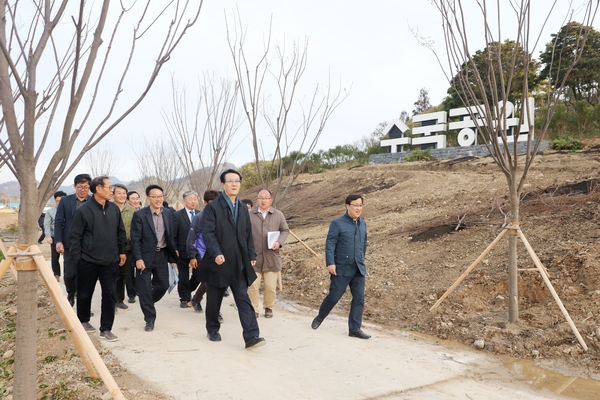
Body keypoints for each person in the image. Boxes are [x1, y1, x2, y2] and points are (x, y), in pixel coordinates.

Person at [200, 169, 265, 349]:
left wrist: (251, 254)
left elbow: (247, 234)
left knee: (243, 298)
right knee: (214, 299)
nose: (234, 184)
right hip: (219, 262)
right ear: (223, 184)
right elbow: (208, 233)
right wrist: (216, 252)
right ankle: (212, 328)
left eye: (237, 181)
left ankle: (251, 336)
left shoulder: (243, 207)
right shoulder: (213, 207)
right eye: (230, 181)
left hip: (239, 263)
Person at [69, 176, 127, 342]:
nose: (112, 191)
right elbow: (75, 237)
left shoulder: (114, 209)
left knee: (109, 294)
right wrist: (78, 259)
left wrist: (121, 251)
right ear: (98, 189)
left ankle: (106, 328)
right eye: (109, 187)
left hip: (110, 261)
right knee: (85, 293)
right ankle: (84, 320)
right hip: (88, 261)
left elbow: (120, 232)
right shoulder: (83, 211)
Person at [311, 194, 370, 339]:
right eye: (355, 205)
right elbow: (330, 243)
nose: (358, 208)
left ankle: (354, 329)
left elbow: (364, 244)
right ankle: (320, 317)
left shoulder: (363, 224)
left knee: (359, 298)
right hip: (341, 267)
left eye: (360, 205)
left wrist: (361, 259)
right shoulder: (337, 223)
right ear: (347, 206)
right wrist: (330, 263)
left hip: (358, 268)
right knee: (334, 296)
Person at [130, 184, 177, 332]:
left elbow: (171, 236)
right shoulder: (140, 215)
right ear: (148, 198)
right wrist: (138, 258)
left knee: (163, 284)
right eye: (155, 197)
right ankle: (149, 319)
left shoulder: (168, 213)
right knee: (144, 287)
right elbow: (135, 239)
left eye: (160, 197)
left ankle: (147, 301)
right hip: (144, 256)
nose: (158, 199)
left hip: (161, 255)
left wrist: (173, 256)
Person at [248, 190, 289, 318]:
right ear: (257, 199)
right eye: (261, 198)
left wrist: (279, 242)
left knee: (270, 286)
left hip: (272, 257)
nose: (263, 201)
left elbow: (285, 230)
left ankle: (268, 307)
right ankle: (253, 308)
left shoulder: (278, 215)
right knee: (253, 286)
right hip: (254, 257)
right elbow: (243, 233)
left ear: (271, 200)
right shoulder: (249, 215)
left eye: (266, 198)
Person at [55, 173, 92, 306]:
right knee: (70, 274)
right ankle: (71, 293)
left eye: (86, 187)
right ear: (75, 186)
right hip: (70, 243)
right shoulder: (66, 201)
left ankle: (83, 305)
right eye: (80, 187)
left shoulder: (93, 201)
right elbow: (59, 222)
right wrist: (58, 241)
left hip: (88, 244)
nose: (83, 190)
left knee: (85, 276)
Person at [187, 190, 220, 314]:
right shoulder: (200, 217)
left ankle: (196, 299)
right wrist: (192, 256)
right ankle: (215, 312)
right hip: (202, 255)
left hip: (216, 255)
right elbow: (191, 238)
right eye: (210, 203)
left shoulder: (220, 216)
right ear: (205, 202)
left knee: (210, 282)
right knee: (210, 284)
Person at [172, 190, 200, 308]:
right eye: (190, 199)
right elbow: (172, 234)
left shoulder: (201, 214)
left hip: (198, 251)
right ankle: (184, 298)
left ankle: (188, 289)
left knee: (198, 275)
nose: (193, 201)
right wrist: (174, 248)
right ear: (184, 201)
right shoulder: (177, 216)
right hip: (182, 250)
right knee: (183, 275)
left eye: (195, 199)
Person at [113, 184, 136, 310]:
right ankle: (110, 300)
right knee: (111, 274)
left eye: (124, 193)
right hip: (111, 248)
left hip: (127, 248)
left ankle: (119, 299)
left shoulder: (132, 210)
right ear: (113, 194)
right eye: (119, 193)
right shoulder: (108, 207)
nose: (122, 196)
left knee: (123, 274)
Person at [44, 190, 67, 281]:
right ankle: (56, 274)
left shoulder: (68, 210)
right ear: (54, 200)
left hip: (66, 236)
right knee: (55, 258)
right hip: (54, 236)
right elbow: (47, 224)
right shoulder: (50, 212)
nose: (59, 203)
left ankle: (67, 276)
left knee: (67, 258)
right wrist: (48, 236)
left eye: (62, 201)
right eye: (58, 201)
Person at [126, 190, 141, 301]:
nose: (136, 201)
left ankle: (139, 289)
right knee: (129, 270)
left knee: (141, 269)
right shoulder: (126, 213)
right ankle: (131, 294)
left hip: (142, 246)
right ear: (127, 201)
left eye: (137, 198)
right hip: (129, 246)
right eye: (133, 199)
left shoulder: (144, 211)